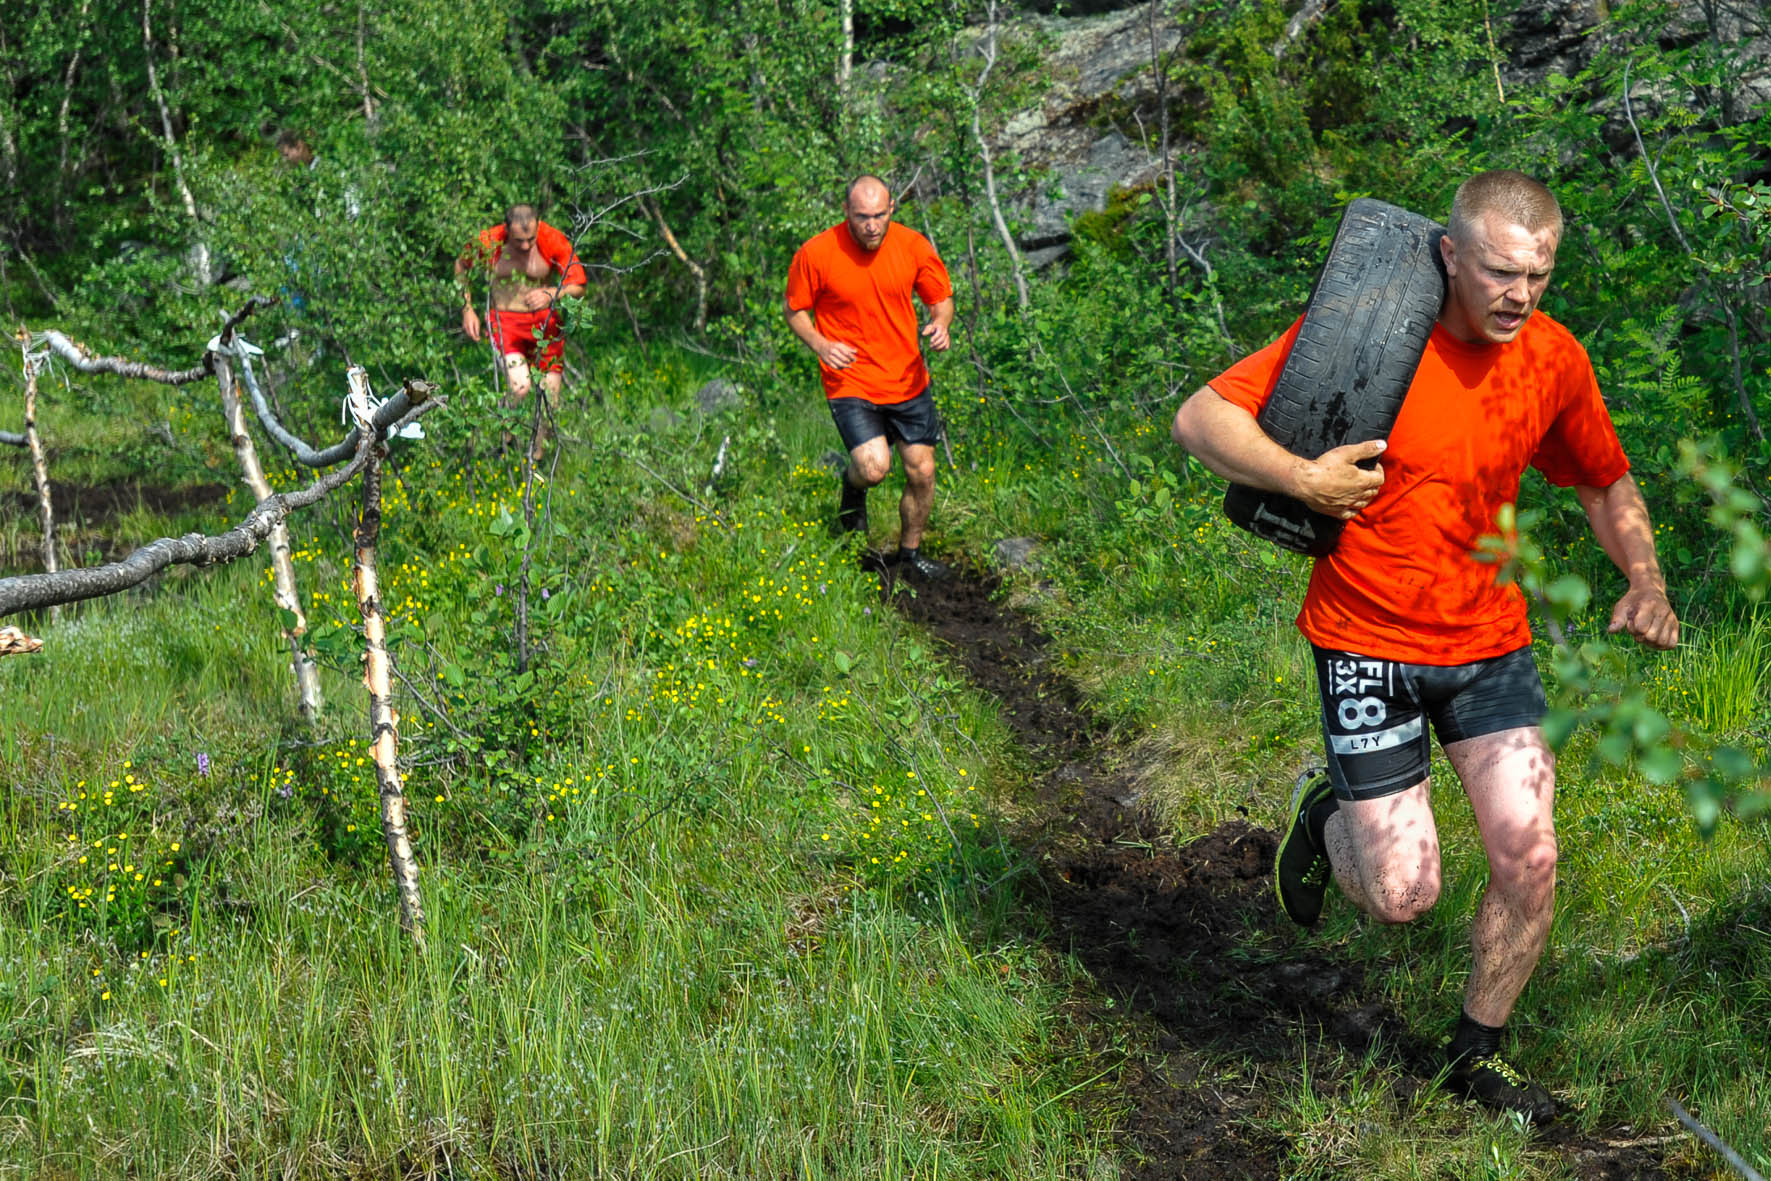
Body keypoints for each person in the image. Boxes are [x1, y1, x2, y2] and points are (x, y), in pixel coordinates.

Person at [1171, 170, 1679, 1122]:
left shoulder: (1553, 359)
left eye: (1537, 274)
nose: (1516, 295)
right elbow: (1198, 418)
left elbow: (1604, 483)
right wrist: (1301, 478)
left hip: (1490, 645)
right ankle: (1323, 811)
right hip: (1364, 641)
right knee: (1402, 894)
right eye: (1495, 271)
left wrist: (1644, 581)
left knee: (1529, 856)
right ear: (1449, 254)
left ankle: (1474, 1052)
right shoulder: (1374, 327)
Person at [785, 175, 956, 578]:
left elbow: (941, 298)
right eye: (862, 216)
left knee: (923, 471)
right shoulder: (817, 252)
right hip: (851, 379)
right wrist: (821, 345)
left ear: (892, 208)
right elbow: (795, 310)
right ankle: (852, 488)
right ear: (846, 212)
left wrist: (941, 323)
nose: (872, 225)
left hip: (907, 377)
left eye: (879, 215)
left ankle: (910, 557)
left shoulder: (912, 246)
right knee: (874, 467)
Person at [456, 204, 588, 456]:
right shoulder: (490, 241)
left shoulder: (551, 238)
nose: (526, 246)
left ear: (538, 226)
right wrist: (467, 308)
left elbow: (579, 284)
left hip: (545, 325)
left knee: (550, 398)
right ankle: (502, 439)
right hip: (506, 323)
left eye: (530, 239)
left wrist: (552, 293)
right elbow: (461, 265)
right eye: (519, 241)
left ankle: (536, 459)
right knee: (520, 387)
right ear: (506, 229)